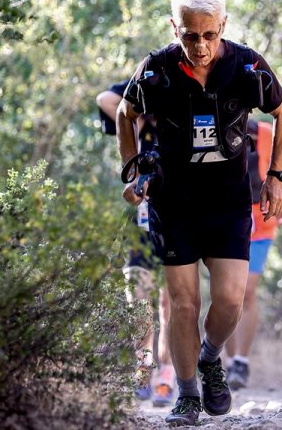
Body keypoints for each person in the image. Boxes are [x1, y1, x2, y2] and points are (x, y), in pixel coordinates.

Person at [116, 0, 282, 426]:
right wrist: (133, 168)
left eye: (210, 35)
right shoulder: (156, 70)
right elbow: (124, 112)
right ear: (174, 27)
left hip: (230, 202)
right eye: (190, 35)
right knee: (183, 303)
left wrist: (276, 176)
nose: (200, 45)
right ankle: (188, 394)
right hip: (173, 202)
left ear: (223, 26)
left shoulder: (247, 67)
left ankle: (211, 357)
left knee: (232, 300)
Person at [96, 84, 176, 408]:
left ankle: (168, 375)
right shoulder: (138, 120)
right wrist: (141, 109)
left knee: (170, 305)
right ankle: (142, 367)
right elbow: (105, 100)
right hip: (140, 222)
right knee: (138, 299)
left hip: (177, 222)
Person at [224, 119, 282, 389]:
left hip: (261, 221)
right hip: (226, 219)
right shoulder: (215, 127)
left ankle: (242, 360)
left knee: (247, 291)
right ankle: (229, 362)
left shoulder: (265, 132)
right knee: (228, 294)